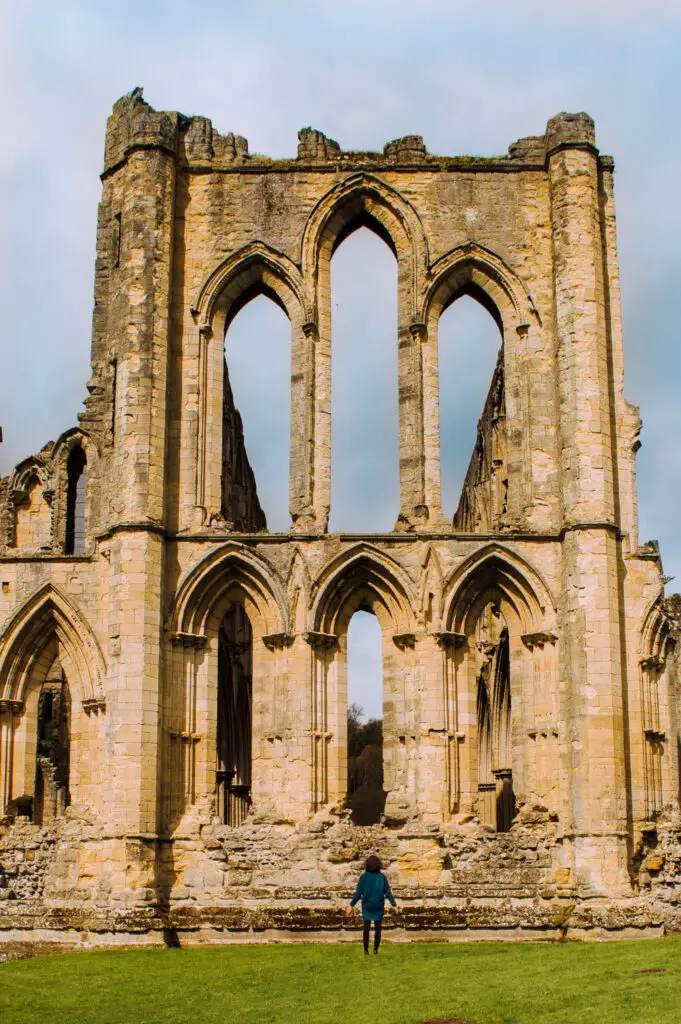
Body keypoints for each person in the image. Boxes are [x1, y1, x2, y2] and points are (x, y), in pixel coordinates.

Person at [345, 854, 397, 954]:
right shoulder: (381, 877)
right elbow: (388, 892)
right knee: (378, 928)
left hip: (367, 905)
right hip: (378, 905)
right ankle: (375, 949)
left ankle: (365, 949)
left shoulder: (363, 877)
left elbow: (358, 893)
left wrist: (351, 905)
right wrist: (394, 904)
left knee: (366, 928)